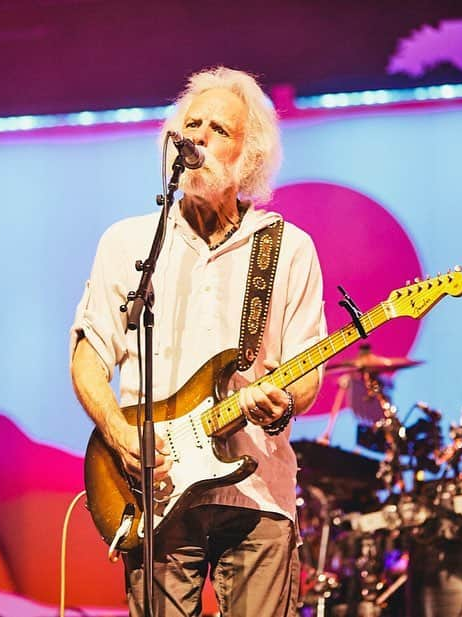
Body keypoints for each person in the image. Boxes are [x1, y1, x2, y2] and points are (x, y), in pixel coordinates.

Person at [70, 66, 327, 616]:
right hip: (156, 491)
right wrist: (119, 434)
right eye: (192, 124)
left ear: (249, 157)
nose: (200, 136)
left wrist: (281, 401)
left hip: (257, 492)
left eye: (219, 129)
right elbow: (89, 356)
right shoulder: (130, 242)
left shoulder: (290, 249)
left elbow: (306, 373)